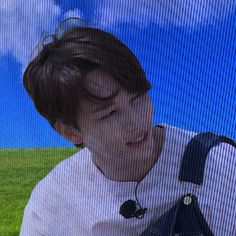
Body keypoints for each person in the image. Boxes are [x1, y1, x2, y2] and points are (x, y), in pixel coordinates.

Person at [20, 17, 236, 235]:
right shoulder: (50, 207)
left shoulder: (223, 166)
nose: (137, 122)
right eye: (110, 113)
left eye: (138, 97)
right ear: (70, 132)